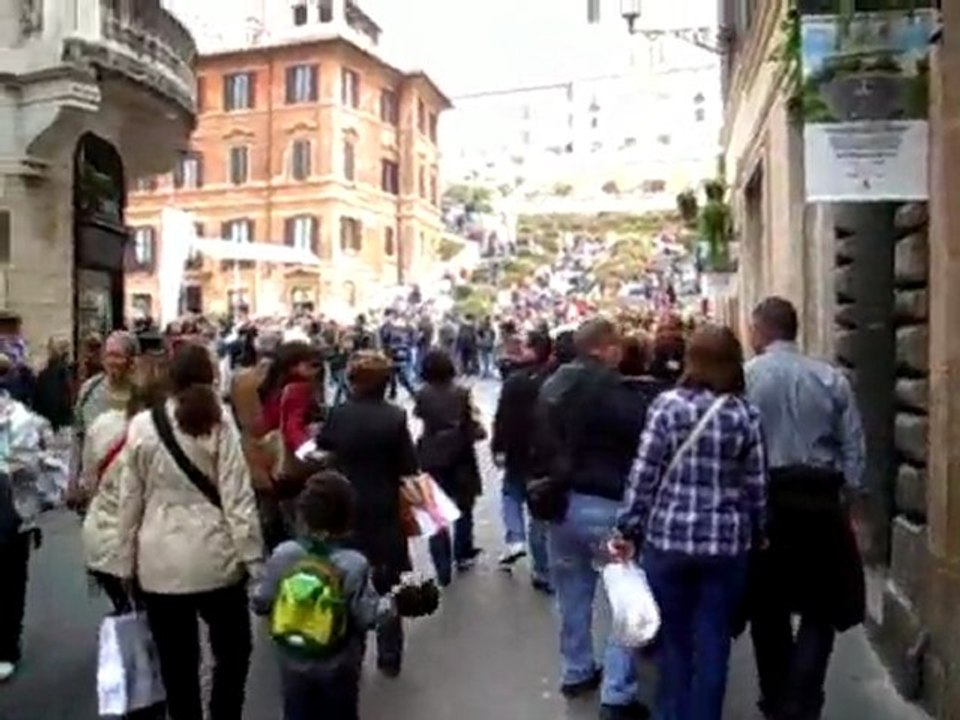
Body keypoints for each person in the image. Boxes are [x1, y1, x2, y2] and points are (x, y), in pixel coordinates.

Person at [612, 324, 768, 720]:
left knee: (672, 642)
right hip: (725, 545)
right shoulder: (745, 414)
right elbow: (756, 484)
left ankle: (672, 713)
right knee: (714, 641)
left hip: (669, 540)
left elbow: (644, 473)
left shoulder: (667, 407)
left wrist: (628, 525)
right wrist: (760, 530)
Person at [115, 344, 265, 720]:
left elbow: (129, 499)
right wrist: (253, 558)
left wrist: (125, 561)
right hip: (217, 555)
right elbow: (237, 496)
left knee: (177, 661)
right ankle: (224, 713)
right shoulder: (219, 420)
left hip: (159, 558)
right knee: (234, 650)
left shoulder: (142, 425)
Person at [744, 297, 866, 720]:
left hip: (767, 499)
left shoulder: (746, 378)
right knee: (820, 605)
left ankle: (776, 696)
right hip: (820, 500)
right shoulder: (831, 378)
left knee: (767, 606)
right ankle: (805, 695)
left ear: (762, 330)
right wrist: (851, 499)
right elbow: (854, 447)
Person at [536, 318, 650, 720]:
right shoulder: (618, 393)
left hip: (561, 503)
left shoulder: (551, 387)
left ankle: (577, 668)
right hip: (607, 502)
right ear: (604, 348)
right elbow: (641, 445)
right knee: (625, 595)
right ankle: (617, 693)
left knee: (571, 593)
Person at [252, 471, 394, 720]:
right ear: (347, 519)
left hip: (292, 659)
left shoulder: (285, 554)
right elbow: (367, 616)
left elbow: (261, 602)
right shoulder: (353, 563)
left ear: (303, 514)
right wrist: (395, 602)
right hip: (338, 664)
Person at [316, 351, 419, 677]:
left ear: (353, 381)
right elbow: (408, 465)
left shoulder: (338, 414)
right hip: (384, 508)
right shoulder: (395, 417)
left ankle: (351, 649)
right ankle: (390, 655)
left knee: (346, 581)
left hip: (344, 507)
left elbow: (322, 448)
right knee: (388, 584)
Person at [414, 349, 484, 586]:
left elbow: (421, 417)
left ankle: (441, 565)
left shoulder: (422, 394)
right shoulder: (461, 393)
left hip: (431, 454)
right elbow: (471, 422)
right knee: (464, 505)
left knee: (435, 510)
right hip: (460, 453)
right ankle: (463, 552)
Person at [491, 331, 552, 592]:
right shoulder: (553, 380)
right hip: (543, 453)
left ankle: (515, 538)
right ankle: (542, 570)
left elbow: (502, 417)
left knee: (511, 493)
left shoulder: (515, 380)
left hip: (517, 448)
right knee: (539, 511)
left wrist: (498, 447)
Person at [68, 331, 139, 508]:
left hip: (130, 489)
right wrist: (73, 482)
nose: (111, 361)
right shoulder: (90, 390)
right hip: (95, 488)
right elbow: (78, 436)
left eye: (117, 356)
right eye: (108, 355)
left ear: (131, 360)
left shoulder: (142, 394)